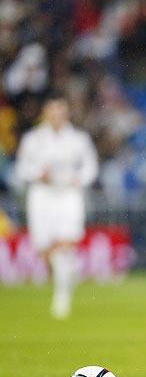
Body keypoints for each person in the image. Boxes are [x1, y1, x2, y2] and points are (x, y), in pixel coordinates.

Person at [15, 93, 99, 319]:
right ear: (45, 113)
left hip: (68, 195)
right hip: (42, 195)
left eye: (60, 111)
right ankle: (66, 276)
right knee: (45, 248)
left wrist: (79, 179)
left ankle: (62, 298)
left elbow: (90, 166)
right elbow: (22, 168)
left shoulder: (78, 139)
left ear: (66, 113)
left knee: (65, 243)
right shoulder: (33, 139)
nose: (56, 116)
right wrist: (36, 174)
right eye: (52, 111)